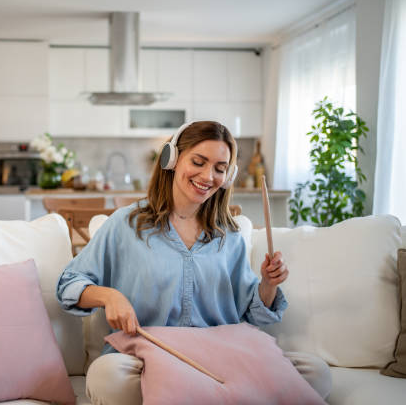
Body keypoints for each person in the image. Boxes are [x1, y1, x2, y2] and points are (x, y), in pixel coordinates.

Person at [56, 121, 331, 404]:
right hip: (150, 355)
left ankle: (209, 389)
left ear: (228, 176)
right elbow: (68, 285)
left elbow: (251, 314)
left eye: (220, 169)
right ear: (172, 160)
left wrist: (269, 285)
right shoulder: (126, 224)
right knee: (106, 375)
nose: (208, 176)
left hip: (219, 356)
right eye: (198, 162)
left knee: (316, 372)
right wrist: (108, 296)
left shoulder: (230, 235)